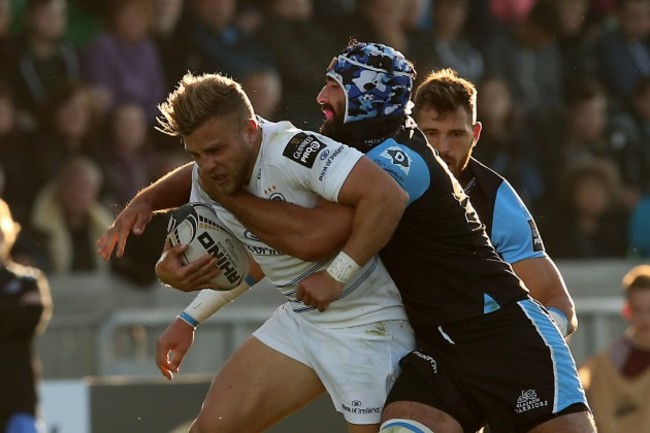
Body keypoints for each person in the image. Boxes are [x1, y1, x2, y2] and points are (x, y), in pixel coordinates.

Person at [98, 41, 595, 433]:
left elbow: (314, 238)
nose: (321, 98)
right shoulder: (333, 153)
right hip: (436, 351)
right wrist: (153, 210)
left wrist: (226, 201)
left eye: (334, 87)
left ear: (368, 93)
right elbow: (254, 227)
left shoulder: (397, 162)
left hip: (494, 333)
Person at [101, 71, 416, 433]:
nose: (207, 165)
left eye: (216, 150)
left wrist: (335, 275)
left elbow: (389, 197)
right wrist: (188, 317)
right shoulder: (215, 173)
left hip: (368, 325)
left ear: (251, 129)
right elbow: (254, 257)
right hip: (304, 320)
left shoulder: (294, 151)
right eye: (196, 154)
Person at [411, 67, 577, 337]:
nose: (441, 148)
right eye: (430, 132)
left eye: (456, 134)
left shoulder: (496, 199)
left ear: (475, 134)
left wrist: (536, 339)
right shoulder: (380, 179)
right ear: (412, 130)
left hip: (467, 345)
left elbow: (558, 304)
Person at [0, 198, 52, 433]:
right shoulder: (22, 287)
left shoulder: (27, 280)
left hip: (17, 397)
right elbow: (19, 317)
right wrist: (12, 310)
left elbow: (31, 318)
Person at [578, 264, 650, 433]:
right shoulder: (605, 364)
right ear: (627, 311)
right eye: (638, 310)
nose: (645, 318)